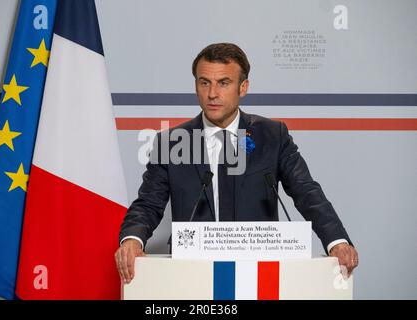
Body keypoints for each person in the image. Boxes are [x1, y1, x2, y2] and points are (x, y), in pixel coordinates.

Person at [115, 43, 358, 284]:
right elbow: (148, 203)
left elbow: (306, 191)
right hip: (190, 274)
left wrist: (336, 241)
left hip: (260, 272)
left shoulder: (273, 136)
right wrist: (132, 240)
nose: (212, 94)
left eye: (223, 83)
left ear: (243, 87)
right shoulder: (171, 143)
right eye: (204, 82)